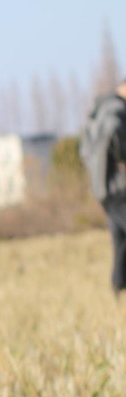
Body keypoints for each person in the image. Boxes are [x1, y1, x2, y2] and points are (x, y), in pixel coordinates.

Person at [80, 77, 126, 295]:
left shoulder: (98, 111)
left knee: (120, 238)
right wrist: (121, 155)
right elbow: (113, 131)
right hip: (118, 188)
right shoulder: (116, 109)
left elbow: (84, 149)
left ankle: (118, 285)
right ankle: (118, 285)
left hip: (103, 188)